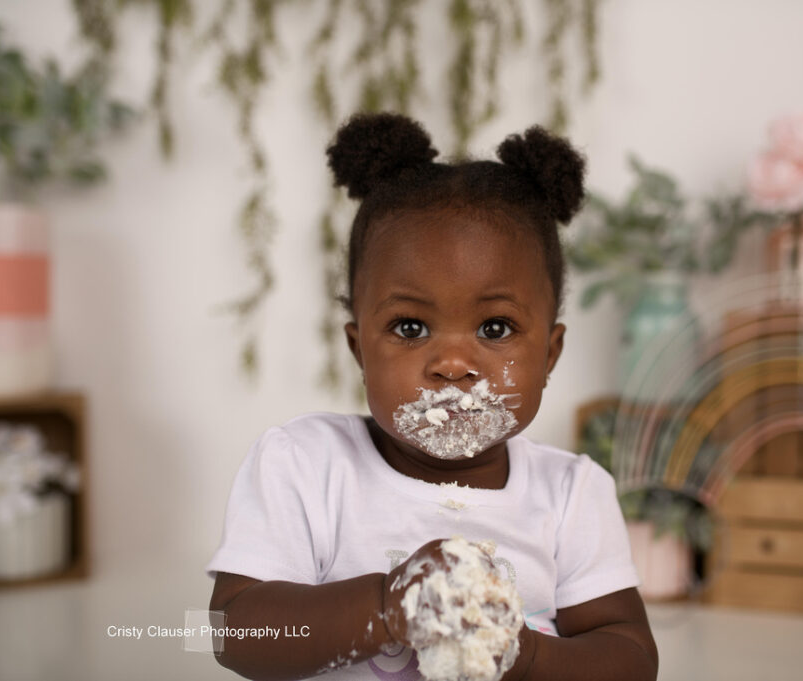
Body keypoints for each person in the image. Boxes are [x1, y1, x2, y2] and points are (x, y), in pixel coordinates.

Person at [206, 112, 658, 681]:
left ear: (549, 354)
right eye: (410, 328)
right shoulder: (305, 464)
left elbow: (632, 661)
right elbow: (232, 634)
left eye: (495, 329)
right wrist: (389, 606)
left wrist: (526, 656)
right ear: (358, 347)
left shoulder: (570, 495)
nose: (451, 365)